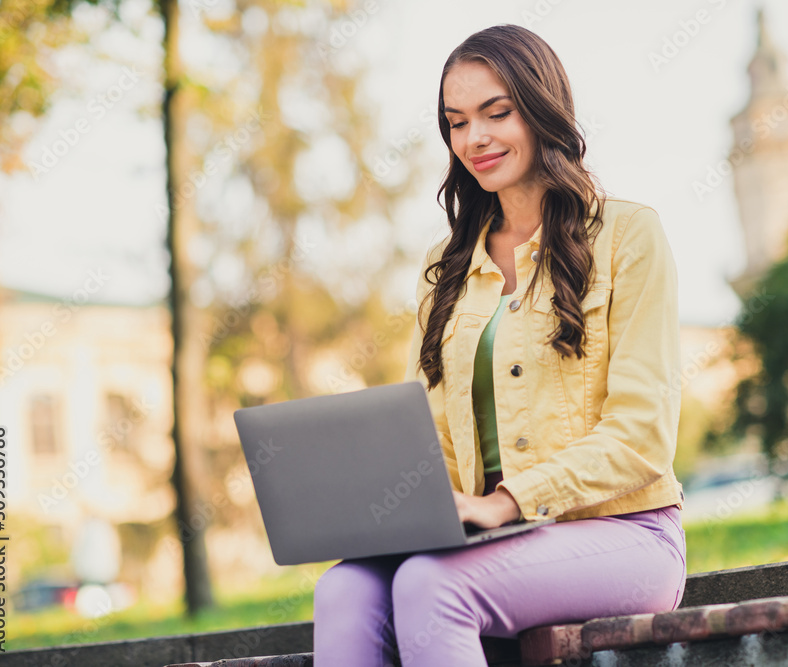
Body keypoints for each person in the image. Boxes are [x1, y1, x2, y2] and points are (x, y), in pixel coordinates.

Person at [312, 23, 687, 667]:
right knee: (344, 588)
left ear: (542, 110)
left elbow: (641, 436)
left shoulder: (627, 236)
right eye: (457, 123)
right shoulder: (447, 269)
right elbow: (426, 435)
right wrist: (391, 511)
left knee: (434, 585)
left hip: (625, 537)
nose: (475, 138)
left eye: (497, 112)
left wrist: (505, 503)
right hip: (491, 541)